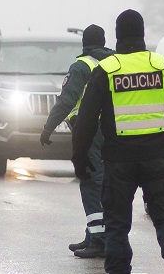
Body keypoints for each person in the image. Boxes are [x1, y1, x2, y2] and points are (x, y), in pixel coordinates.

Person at [71, 9, 164, 274]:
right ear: (143, 34)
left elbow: (86, 119)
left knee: (116, 226)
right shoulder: (163, 67)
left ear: (117, 36)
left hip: (118, 162)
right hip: (158, 159)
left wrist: (79, 159)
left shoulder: (107, 69)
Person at [39, 24, 115, 257]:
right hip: (114, 131)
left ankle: (99, 241)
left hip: (90, 131)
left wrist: (48, 128)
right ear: (103, 42)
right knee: (106, 182)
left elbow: (66, 101)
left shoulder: (82, 66)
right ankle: (94, 235)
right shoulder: (114, 63)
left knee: (91, 182)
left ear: (85, 44)